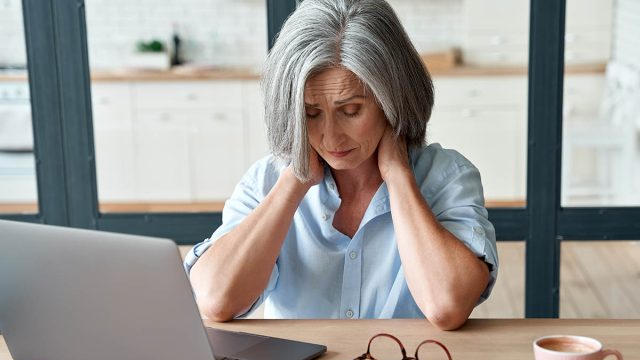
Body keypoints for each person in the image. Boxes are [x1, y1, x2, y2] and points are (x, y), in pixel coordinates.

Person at [185, 0, 498, 330]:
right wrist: (295, 181)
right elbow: (217, 300)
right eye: (310, 114)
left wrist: (398, 176)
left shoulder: (446, 177)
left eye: (351, 111)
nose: (331, 137)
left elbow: (447, 306)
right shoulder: (265, 182)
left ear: (393, 99)